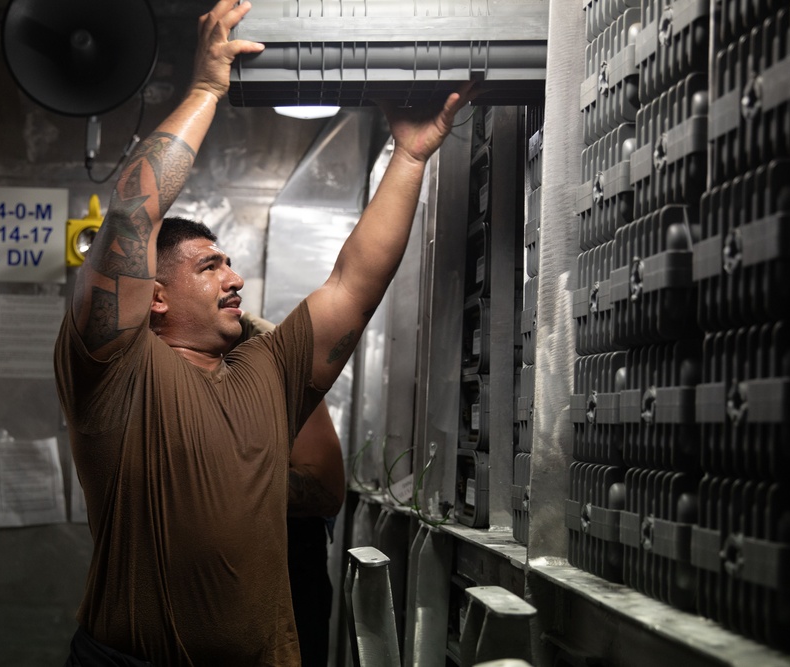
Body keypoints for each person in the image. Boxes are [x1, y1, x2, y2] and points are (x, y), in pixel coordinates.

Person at [54, 0, 475, 663]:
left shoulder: (264, 373)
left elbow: (351, 287)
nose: (236, 278)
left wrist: (411, 157)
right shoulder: (113, 373)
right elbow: (133, 218)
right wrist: (204, 90)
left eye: (231, 262)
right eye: (210, 265)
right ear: (154, 296)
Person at [238, 312, 345, 666]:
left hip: (285, 579)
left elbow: (325, 489)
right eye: (209, 266)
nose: (231, 279)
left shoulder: (264, 353)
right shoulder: (148, 362)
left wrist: (221, 481)